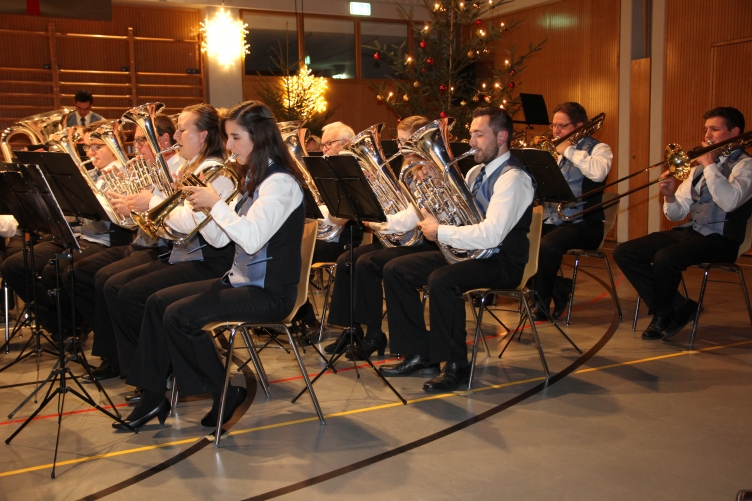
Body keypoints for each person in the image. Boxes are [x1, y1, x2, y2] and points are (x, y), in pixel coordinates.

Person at [114, 100, 306, 430]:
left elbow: (251, 239)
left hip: (271, 291)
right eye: (228, 137)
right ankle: (153, 395)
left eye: (236, 138)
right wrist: (203, 207)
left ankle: (222, 392)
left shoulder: (280, 183)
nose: (229, 146)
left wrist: (215, 204)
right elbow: (219, 241)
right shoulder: (255, 177)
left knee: (180, 316)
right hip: (242, 279)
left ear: (259, 137)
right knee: (158, 302)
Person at [378, 107, 535, 392]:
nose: (471, 142)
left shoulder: (514, 178)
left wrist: (441, 231)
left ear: (501, 137)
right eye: (471, 134)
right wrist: (430, 187)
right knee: (396, 269)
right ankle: (420, 352)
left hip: (502, 261)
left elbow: (492, 234)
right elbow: (450, 211)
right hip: (469, 253)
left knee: (442, 280)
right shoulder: (475, 172)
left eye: (479, 135)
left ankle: (456, 365)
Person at [108, 103, 235, 384]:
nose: (175, 137)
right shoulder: (194, 167)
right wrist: (147, 204)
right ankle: (150, 370)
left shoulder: (214, 171)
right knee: (122, 289)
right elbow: (175, 227)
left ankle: (157, 370)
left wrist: (152, 202)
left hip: (211, 261)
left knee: (132, 294)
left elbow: (190, 224)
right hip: (189, 254)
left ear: (203, 135)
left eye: (182, 130)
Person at [613, 107, 752, 341]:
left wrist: (710, 165)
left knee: (666, 257)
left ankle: (663, 314)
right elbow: (676, 215)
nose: (707, 135)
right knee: (625, 252)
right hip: (691, 232)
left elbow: (729, 202)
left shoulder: (746, 166)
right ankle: (681, 306)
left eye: (715, 129)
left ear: (735, 132)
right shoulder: (698, 170)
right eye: (706, 129)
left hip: (722, 239)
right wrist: (669, 196)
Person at [64, 115, 184, 382]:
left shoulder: (176, 169)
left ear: (163, 140)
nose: (136, 147)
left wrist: (139, 205)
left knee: (111, 282)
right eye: (137, 141)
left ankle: (126, 360)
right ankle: (114, 351)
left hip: (161, 246)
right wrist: (126, 201)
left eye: (141, 140)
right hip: (141, 242)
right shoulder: (148, 168)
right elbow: (128, 221)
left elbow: (171, 222)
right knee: (80, 273)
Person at [0, 122, 132, 339]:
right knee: (14, 266)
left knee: (54, 271)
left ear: (113, 144)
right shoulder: (88, 173)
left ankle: (74, 326)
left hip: (101, 240)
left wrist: (88, 198)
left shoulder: (124, 174)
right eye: (87, 147)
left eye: (97, 146)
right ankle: (61, 325)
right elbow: (68, 216)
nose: (90, 152)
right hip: (72, 235)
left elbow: (114, 220)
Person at [321, 115, 435, 358]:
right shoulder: (407, 168)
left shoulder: (427, 171)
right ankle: (357, 330)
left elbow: (414, 214)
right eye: (399, 141)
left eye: (406, 142)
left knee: (367, 262)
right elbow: (396, 206)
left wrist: (380, 223)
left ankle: (374, 334)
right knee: (347, 260)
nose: (401, 148)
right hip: (399, 236)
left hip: (422, 241)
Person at [530, 102, 613, 321]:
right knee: (516, 241)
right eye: (553, 125)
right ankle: (557, 286)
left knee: (547, 245)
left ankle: (542, 303)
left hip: (585, 224)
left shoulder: (600, 149)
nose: (555, 131)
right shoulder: (553, 151)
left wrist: (568, 150)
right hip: (554, 220)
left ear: (580, 126)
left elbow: (598, 173)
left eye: (562, 126)